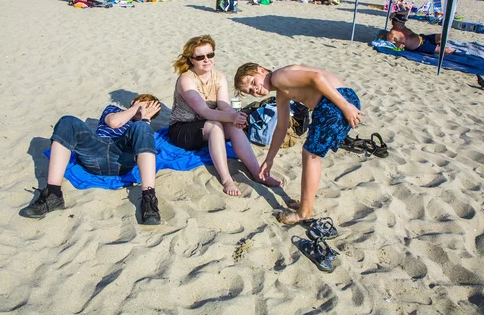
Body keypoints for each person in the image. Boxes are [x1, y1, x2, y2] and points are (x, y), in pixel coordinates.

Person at [233, 63, 363, 224]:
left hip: (336, 101)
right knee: (311, 153)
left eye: (253, 83)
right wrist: (269, 159)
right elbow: (281, 127)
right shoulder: (281, 92)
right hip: (336, 101)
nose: (255, 90)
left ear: (261, 70)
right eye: (250, 91)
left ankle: (304, 212)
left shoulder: (278, 77)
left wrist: (345, 106)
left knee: (310, 154)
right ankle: (306, 205)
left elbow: (317, 77)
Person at [19, 94, 163, 224]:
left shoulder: (143, 126)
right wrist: (136, 109)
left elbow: (144, 147)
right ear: (134, 102)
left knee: (142, 128)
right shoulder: (112, 109)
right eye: (144, 103)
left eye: (150, 107)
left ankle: (149, 199)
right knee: (67, 121)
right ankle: (53, 194)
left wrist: (145, 119)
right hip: (96, 150)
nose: (145, 107)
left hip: (122, 157)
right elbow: (113, 122)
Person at [169, 35, 283, 196]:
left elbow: (223, 104)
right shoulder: (186, 80)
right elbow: (204, 111)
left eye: (210, 55)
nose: (207, 60)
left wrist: (236, 116)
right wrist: (231, 117)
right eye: (200, 57)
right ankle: (226, 179)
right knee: (215, 126)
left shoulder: (219, 76)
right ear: (191, 60)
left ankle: (257, 173)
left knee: (233, 125)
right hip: (182, 127)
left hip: (208, 122)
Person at [387, 13, 455, 55]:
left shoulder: (402, 27)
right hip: (420, 46)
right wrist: (397, 45)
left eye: (403, 22)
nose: (403, 23)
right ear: (395, 22)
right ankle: (453, 51)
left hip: (423, 38)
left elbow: (404, 11)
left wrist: (395, 13)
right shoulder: (392, 33)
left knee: (443, 35)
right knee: (446, 51)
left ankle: (438, 44)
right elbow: (389, 44)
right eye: (401, 22)